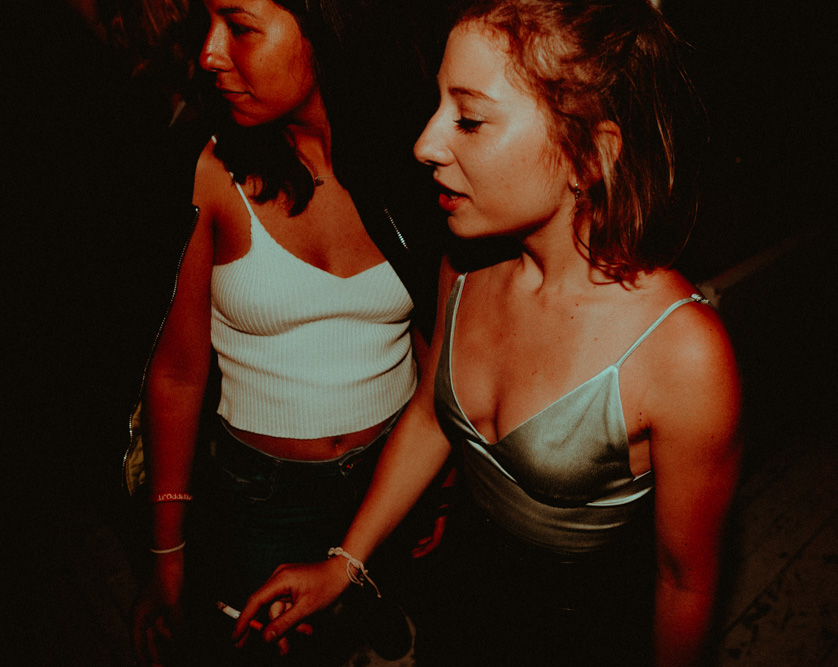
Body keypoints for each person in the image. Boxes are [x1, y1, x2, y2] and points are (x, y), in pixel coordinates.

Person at [236, 1, 741, 664]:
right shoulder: (464, 264)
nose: (425, 143)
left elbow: (684, 584)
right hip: (462, 599)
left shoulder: (682, 353)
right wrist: (345, 563)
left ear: (590, 154)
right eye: (438, 105)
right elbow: (430, 416)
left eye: (469, 119)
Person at [130, 0, 445, 664]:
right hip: (264, 499)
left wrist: (440, 483)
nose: (210, 53)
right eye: (208, 25)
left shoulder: (416, 157)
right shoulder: (209, 167)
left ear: (324, 28)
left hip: (394, 473)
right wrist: (167, 551)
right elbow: (177, 373)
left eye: (240, 27)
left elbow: (435, 333)